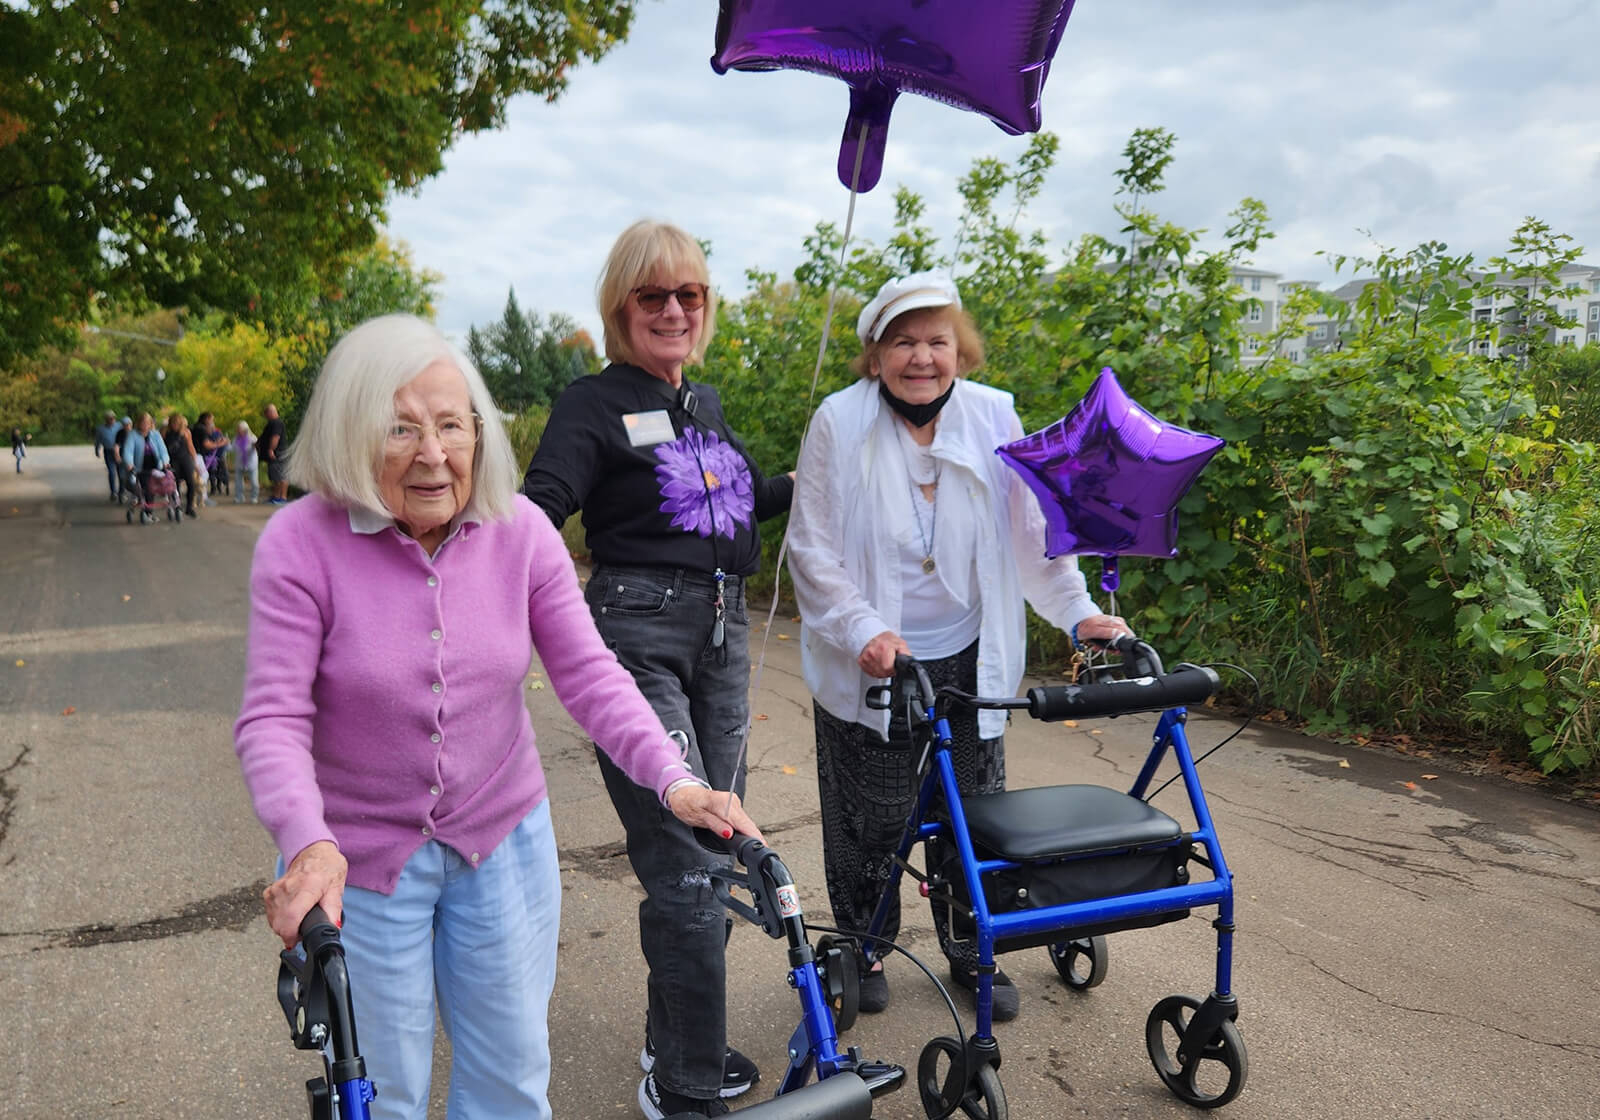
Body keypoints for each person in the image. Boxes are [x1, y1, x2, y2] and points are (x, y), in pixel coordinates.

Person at [234, 313, 760, 1120]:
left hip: (501, 843)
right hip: (357, 860)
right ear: (348, 432)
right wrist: (306, 842)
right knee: (380, 1091)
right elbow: (272, 718)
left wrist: (675, 780)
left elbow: (591, 675)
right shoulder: (299, 544)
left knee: (511, 1081)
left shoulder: (521, 535)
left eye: (451, 425)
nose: (434, 454)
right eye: (400, 429)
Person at [786, 270, 1135, 1023]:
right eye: (904, 342)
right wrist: (862, 632)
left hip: (971, 652)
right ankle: (864, 945)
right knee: (870, 817)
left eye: (937, 341)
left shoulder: (994, 415)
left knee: (972, 809)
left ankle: (971, 945)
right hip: (874, 655)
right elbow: (811, 552)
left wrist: (1078, 614)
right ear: (876, 354)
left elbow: (1034, 540)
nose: (922, 357)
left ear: (961, 350)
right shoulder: (838, 423)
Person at [521, 219, 794, 1119]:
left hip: (723, 638)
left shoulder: (702, 405)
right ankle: (684, 1090)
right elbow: (537, 513)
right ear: (620, 309)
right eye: (653, 295)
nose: (674, 309)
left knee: (717, 847)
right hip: (638, 633)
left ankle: (673, 1045)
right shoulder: (592, 404)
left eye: (690, 294)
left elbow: (748, 498)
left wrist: (835, 463)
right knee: (683, 862)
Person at [121, 412, 171, 500]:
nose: (145, 425)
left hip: (154, 464)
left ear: (151, 424)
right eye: (143, 423)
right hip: (140, 466)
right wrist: (129, 463)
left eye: (147, 423)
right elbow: (128, 451)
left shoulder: (155, 434)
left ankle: (148, 510)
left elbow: (163, 450)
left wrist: (165, 461)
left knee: (151, 486)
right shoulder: (132, 435)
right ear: (138, 423)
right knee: (144, 486)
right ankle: (146, 508)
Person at [162, 412, 200, 518]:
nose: (175, 425)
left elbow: (191, 447)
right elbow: (161, 447)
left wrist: (195, 462)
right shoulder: (165, 432)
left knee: (191, 483)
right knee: (175, 484)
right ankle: (177, 506)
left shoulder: (186, 432)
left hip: (185, 459)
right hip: (173, 460)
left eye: (177, 423)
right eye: (173, 423)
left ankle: (189, 507)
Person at [192, 411, 228, 500]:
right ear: (207, 419)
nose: (212, 422)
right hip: (197, 455)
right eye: (211, 420)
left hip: (195, 454)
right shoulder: (202, 429)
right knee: (203, 475)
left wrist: (216, 442)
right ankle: (202, 498)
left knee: (200, 476)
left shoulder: (196, 427)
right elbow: (206, 444)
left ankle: (199, 497)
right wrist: (221, 443)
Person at [259, 402, 288, 504]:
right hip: (276, 453)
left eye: (266, 414)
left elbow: (275, 437)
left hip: (278, 453)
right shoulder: (273, 423)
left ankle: (282, 497)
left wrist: (271, 449)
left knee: (280, 475)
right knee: (275, 475)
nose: (266, 417)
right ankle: (276, 496)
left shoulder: (277, 423)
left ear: (270, 412)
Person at [93, 411, 122, 500]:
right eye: (109, 418)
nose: (111, 420)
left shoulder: (119, 426)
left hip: (120, 452)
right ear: (106, 419)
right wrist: (97, 450)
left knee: (121, 473)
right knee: (112, 472)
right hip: (108, 451)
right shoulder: (100, 429)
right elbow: (98, 440)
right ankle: (113, 492)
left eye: (113, 418)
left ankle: (122, 491)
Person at [232, 420, 259, 503]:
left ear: (246, 429)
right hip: (239, 463)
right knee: (238, 482)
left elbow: (257, 446)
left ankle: (254, 497)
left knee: (254, 482)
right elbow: (232, 448)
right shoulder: (236, 439)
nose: (239, 431)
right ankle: (239, 497)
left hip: (251, 463)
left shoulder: (252, 438)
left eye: (240, 429)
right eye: (238, 429)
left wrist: (254, 446)